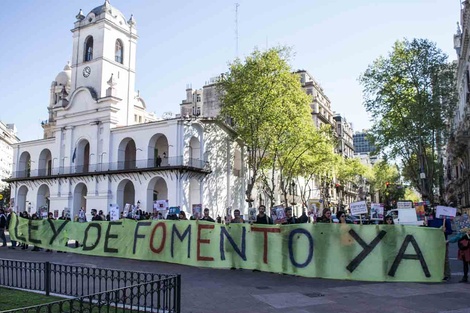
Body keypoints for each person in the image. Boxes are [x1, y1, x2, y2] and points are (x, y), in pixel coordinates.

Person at [427, 211, 453, 281]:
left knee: (445, 259)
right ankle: (435, 273)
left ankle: (446, 274)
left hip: (443, 241)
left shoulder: (445, 219)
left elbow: (450, 231)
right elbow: (427, 228)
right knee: (432, 258)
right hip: (432, 241)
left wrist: (445, 231)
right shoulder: (430, 218)